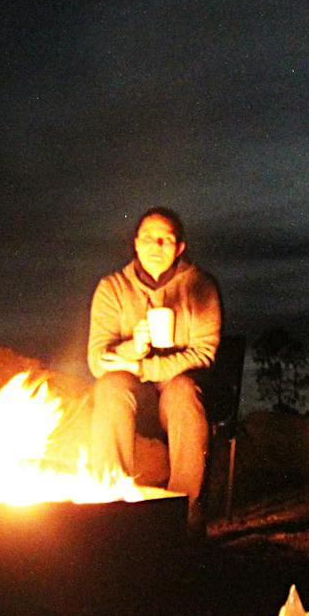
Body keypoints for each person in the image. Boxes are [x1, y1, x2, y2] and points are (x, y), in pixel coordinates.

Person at [86, 207, 222, 536]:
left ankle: (184, 514)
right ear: (135, 243)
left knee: (183, 393)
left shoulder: (201, 285)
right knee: (110, 389)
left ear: (180, 247)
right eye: (148, 238)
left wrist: (144, 367)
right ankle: (109, 505)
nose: (156, 246)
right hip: (134, 392)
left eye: (166, 239)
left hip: (177, 387)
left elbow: (203, 354)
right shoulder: (112, 288)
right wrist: (133, 347)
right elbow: (97, 360)